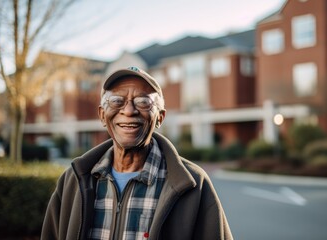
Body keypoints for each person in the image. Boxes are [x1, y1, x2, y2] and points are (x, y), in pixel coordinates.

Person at [41, 66, 233, 240]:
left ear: (160, 118)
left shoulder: (193, 184)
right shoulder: (73, 180)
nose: (129, 110)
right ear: (101, 115)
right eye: (116, 101)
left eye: (143, 102)